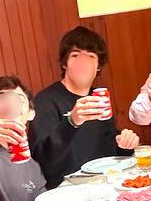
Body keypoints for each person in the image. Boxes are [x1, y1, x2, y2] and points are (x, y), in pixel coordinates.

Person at [31, 26, 139, 188]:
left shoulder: (98, 97)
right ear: (64, 63)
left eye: (90, 56)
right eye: (75, 55)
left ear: (98, 66)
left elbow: (109, 150)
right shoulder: (46, 101)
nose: (83, 62)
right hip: (65, 190)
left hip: (104, 184)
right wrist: (72, 122)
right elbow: (44, 160)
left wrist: (124, 145)